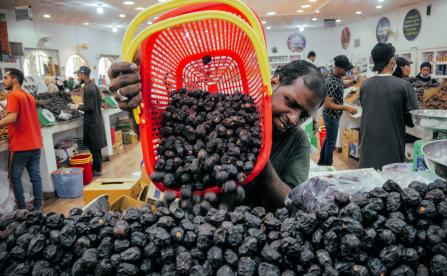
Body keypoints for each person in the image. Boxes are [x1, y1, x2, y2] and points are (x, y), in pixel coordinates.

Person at [108, 60, 327, 210]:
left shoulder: (297, 140)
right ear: (275, 81)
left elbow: (288, 202)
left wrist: (257, 154)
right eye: (290, 102)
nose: (293, 118)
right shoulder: (228, 109)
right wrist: (134, 109)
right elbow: (165, 142)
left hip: (254, 236)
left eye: (304, 115)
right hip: (201, 224)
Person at [359, 43, 419, 170]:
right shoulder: (404, 86)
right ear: (392, 61)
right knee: (389, 185)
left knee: (368, 183)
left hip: (367, 147)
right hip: (391, 148)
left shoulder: (365, 85)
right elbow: (414, 119)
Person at [0, 68, 43, 211]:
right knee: (35, 177)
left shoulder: (13, 96)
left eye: (6, 78)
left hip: (21, 145)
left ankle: (22, 209)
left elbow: (13, 117)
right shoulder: (28, 96)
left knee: (15, 177)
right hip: (35, 143)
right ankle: (38, 207)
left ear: (15, 80)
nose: (3, 80)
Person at [318, 55, 358, 166]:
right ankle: (328, 166)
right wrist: (346, 108)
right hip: (331, 116)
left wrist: (354, 82)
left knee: (328, 139)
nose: (347, 72)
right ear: (339, 68)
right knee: (331, 142)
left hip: (333, 115)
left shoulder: (337, 78)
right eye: (345, 69)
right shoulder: (331, 82)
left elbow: (341, 86)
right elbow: (328, 104)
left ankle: (322, 163)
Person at [71, 66, 107, 176]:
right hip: (96, 120)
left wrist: (76, 107)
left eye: (78, 75)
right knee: (96, 147)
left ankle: (97, 170)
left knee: (94, 147)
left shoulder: (88, 88)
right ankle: (98, 167)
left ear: (83, 74)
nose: (78, 77)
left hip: (92, 122)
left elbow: (89, 107)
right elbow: (98, 103)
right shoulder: (94, 86)